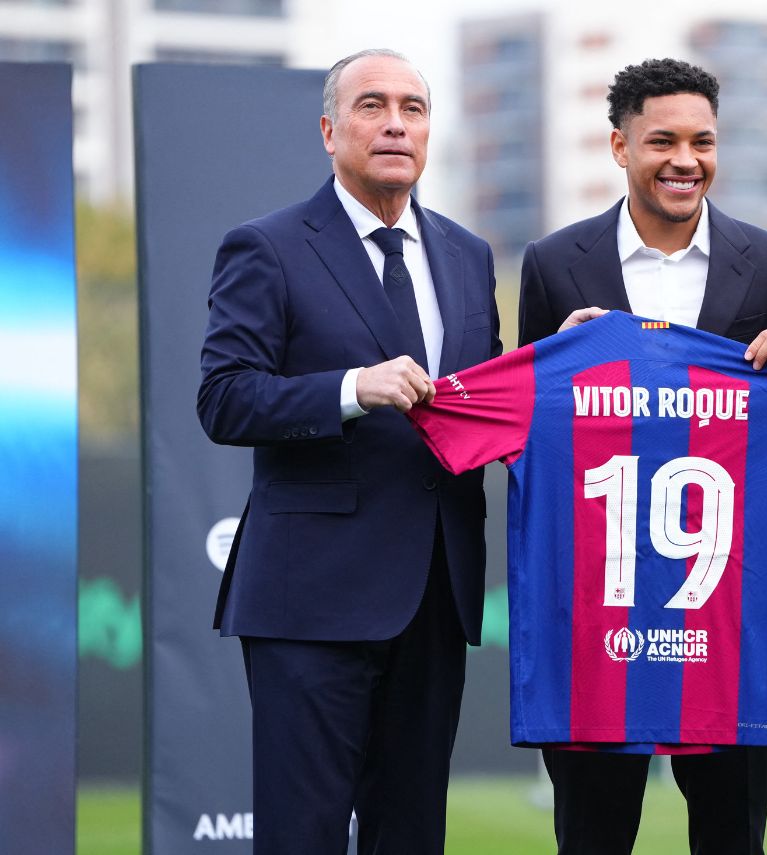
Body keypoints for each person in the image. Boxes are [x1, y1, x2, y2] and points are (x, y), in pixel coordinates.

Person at [196, 48, 499, 854]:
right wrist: (350, 388)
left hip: (435, 596)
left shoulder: (468, 256)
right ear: (330, 131)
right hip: (311, 603)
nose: (396, 122)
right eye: (372, 106)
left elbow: (484, 403)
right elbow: (223, 397)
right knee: (304, 836)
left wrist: (569, 362)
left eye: (413, 107)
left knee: (410, 836)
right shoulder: (267, 246)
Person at [518, 58, 767, 855]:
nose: (686, 159)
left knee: (731, 838)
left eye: (703, 141)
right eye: (663, 141)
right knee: (591, 837)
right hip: (597, 621)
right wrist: (558, 352)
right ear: (619, 146)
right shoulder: (554, 264)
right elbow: (531, 425)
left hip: (720, 624)